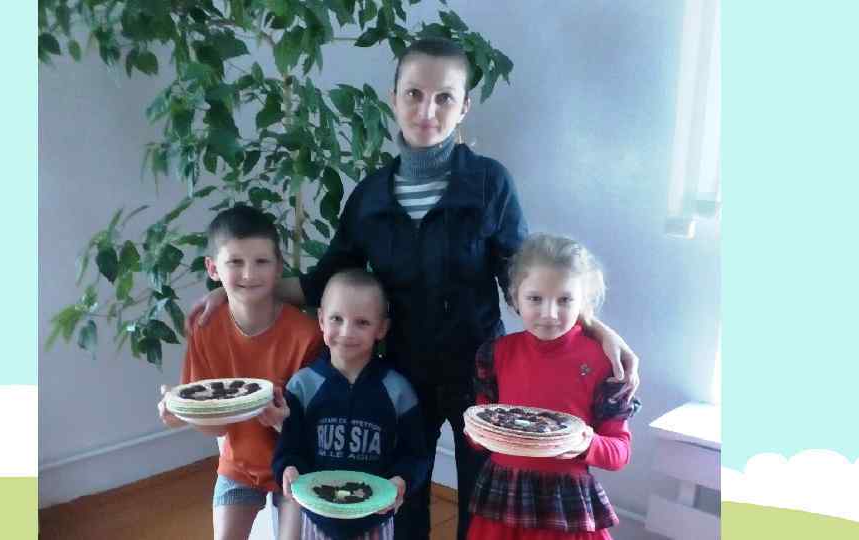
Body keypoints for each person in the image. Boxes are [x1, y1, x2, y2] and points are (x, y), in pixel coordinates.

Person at [187, 38, 641, 540]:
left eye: (444, 97)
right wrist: (237, 293)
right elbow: (322, 280)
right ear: (394, 97)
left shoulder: (490, 183)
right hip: (402, 371)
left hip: (480, 374)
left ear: (464, 106)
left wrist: (594, 327)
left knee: (481, 500)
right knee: (403, 494)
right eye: (414, 94)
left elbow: (525, 280)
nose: (427, 110)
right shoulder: (368, 197)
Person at [158, 204, 323, 540]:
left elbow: (317, 427)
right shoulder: (205, 329)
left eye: (261, 261)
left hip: (298, 465)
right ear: (213, 268)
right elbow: (217, 426)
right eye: (235, 262)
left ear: (279, 268)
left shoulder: (307, 335)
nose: (249, 274)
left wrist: (282, 421)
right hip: (239, 468)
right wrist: (182, 414)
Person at [467, 233, 641, 540]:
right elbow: (480, 436)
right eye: (535, 298)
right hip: (502, 500)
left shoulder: (605, 363)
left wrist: (587, 444)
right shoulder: (495, 355)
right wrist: (478, 434)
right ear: (514, 298)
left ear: (583, 303)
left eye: (565, 300)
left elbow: (620, 452)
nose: (549, 313)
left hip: (564, 506)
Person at [273, 269, 428, 539]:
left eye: (362, 322)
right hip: (317, 517)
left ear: (381, 329)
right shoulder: (302, 386)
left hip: (374, 519)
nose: (347, 332)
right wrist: (288, 468)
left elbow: (414, 454)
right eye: (337, 319)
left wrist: (401, 480)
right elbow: (289, 447)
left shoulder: (398, 390)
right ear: (321, 319)